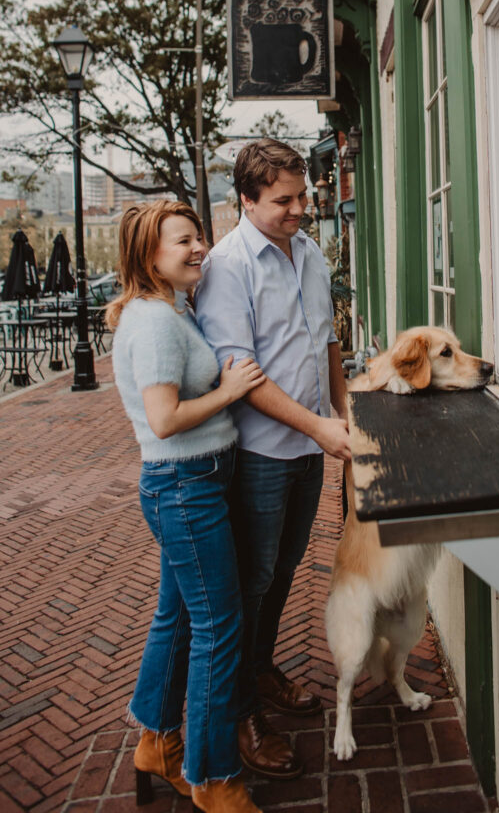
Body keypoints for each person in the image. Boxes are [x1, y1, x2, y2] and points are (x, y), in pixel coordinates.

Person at [195, 138, 352, 779]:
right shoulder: (227, 267)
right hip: (261, 453)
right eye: (282, 201)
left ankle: (261, 670)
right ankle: (239, 712)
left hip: (311, 445)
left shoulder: (310, 251)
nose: (299, 209)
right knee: (249, 585)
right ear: (246, 201)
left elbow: (329, 341)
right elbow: (243, 375)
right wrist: (319, 426)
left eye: (302, 196)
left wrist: (343, 414)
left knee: (284, 569)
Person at [107, 200, 266, 813]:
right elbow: (164, 419)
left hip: (198, 484)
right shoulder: (151, 322)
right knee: (219, 629)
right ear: (150, 256)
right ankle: (213, 777)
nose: (200, 247)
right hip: (185, 487)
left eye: (199, 236)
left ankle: (157, 741)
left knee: (177, 621)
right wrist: (228, 391)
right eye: (183, 241)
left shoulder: (173, 309)